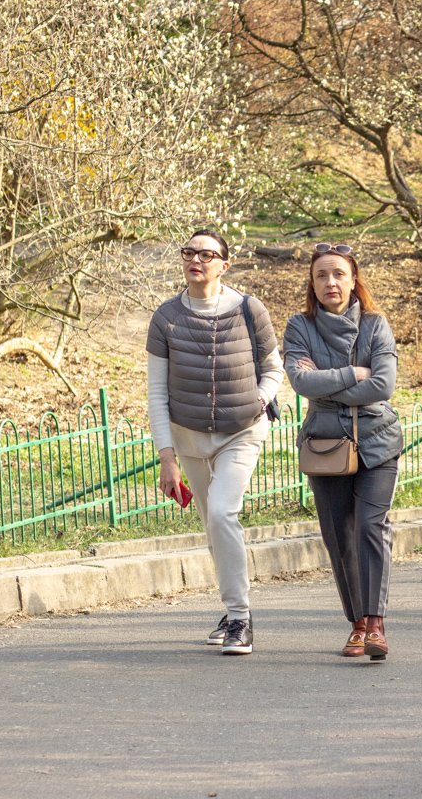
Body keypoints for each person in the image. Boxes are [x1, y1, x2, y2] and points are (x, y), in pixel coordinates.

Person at [146, 229, 284, 654]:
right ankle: (230, 610)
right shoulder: (166, 318)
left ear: (225, 264)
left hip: (241, 432)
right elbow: (156, 393)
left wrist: (258, 399)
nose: (196, 260)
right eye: (189, 252)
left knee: (224, 513)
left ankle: (241, 619)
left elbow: (273, 368)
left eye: (207, 254)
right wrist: (166, 458)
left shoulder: (249, 309)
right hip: (188, 438)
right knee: (212, 524)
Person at [283, 243, 403, 660]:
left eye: (338, 274)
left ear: (354, 280)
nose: (330, 282)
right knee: (339, 537)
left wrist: (327, 382)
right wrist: (354, 373)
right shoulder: (300, 326)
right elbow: (301, 383)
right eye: (321, 276)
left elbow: (383, 386)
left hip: (378, 440)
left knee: (371, 526)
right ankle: (355, 625)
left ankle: (375, 624)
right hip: (326, 444)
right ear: (312, 283)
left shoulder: (375, 325)